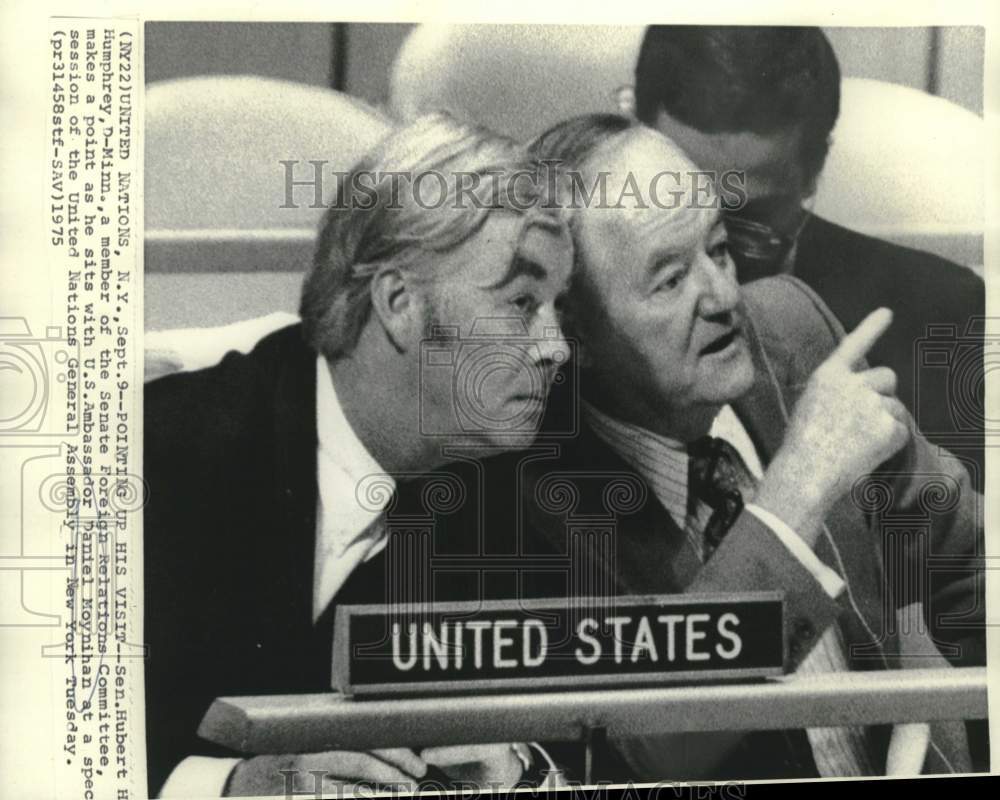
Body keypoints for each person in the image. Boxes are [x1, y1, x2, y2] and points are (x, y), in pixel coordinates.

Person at [511, 115, 984, 780]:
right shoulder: (531, 498)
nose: (726, 296)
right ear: (574, 329)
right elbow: (645, 750)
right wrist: (796, 491)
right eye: (671, 280)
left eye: (721, 248)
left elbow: (968, 557)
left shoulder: (788, 328)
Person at [142, 113, 574, 796]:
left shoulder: (522, 492)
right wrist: (229, 788)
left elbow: (570, 741)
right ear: (399, 302)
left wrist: (520, 774)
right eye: (522, 302)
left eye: (557, 308)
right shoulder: (162, 456)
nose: (556, 347)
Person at [628, 25, 985, 490]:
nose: (718, 282)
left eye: (744, 227)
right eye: (673, 201)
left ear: (815, 171)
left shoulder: (941, 312)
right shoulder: (559, 311)